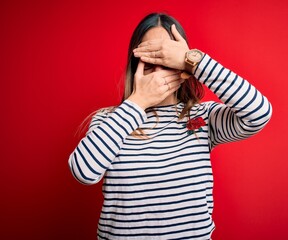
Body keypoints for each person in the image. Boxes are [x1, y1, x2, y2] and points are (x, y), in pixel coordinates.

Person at [68, 12, 272, 240]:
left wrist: (196, 61)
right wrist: (139, 101)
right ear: (135, 65)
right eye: (149, 58)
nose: (157, 69)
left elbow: (259, 113)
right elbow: (84, 172)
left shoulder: (203, 116)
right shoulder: (109, 120)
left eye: (165, 58)